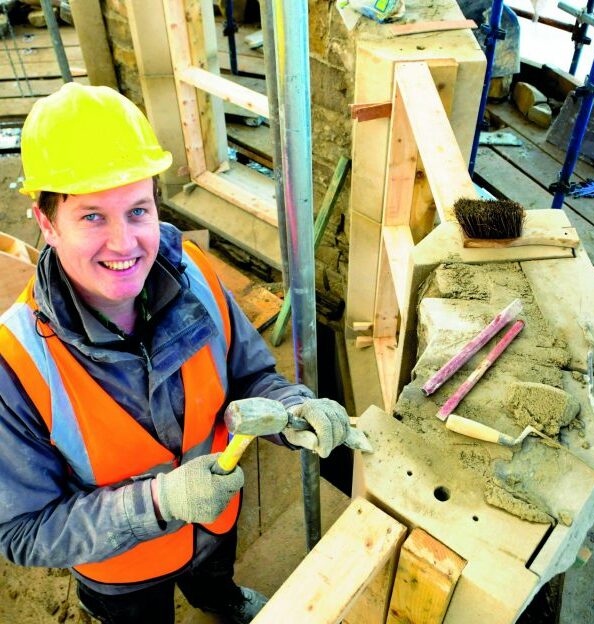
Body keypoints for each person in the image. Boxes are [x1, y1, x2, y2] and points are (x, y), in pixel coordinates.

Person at [0, 83, 351, 624]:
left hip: (213, 525)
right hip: (123, 573)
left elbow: (252, 373)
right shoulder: (14, 362)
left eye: (137, 210)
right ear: (46, 222)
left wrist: (290, 409)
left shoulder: (193, 275)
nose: (125, 244)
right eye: (92, 216)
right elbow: (22, 531)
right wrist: (160, 504)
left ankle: (219, 598)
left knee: (213, 578)